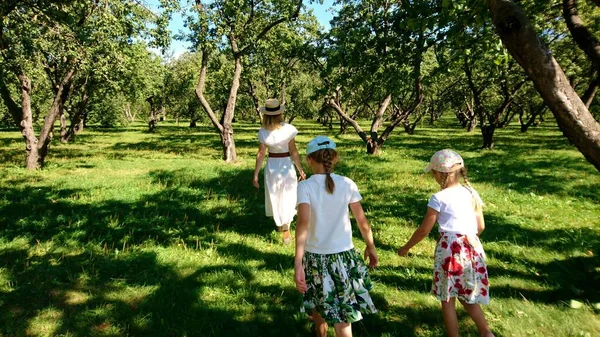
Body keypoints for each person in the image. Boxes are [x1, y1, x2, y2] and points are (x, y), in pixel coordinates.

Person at [398, 149, 494, 337]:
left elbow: (424, 229)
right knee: (467, 295)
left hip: (450, 250)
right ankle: (485, 332)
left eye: (433, 173)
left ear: (440, 174)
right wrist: (469, 241)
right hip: (472, 246)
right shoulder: (471, 193)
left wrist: (405, 248)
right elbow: (480, 225)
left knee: (447, 297)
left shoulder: (438, 198)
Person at [294, 136, 378, 337]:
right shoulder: (347, 183)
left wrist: (298, 262)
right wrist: (371, 246)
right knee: (343, 315)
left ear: (309, 160)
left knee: (317, 302)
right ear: (335, 158)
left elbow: (303, 223)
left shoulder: (305, 187)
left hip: (315, 259)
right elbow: (362, 221)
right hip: (344, 259)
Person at [253, 98, 306, 244]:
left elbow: (261, 153)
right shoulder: (288, 129)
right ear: (279, 113)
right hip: (286, 165)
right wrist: (300, 169)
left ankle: (282, 225)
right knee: (288, 195)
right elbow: (294, 151)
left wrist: (256, 173)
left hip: (272, 165)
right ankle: (286, 228)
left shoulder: (263, 132)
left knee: (275, 194)